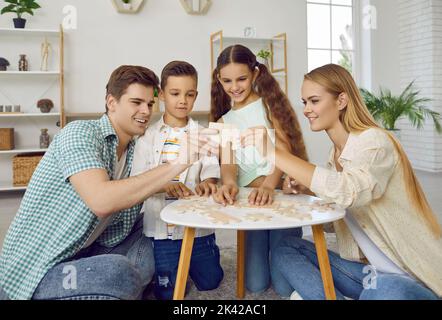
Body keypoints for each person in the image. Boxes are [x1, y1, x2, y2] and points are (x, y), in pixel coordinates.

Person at [0, 65, 218, 300]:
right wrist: (179, 161)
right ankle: (117, 285)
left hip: (90, 249)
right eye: (136, 102)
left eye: (149, 104)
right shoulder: (79, 133)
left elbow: (136, 196)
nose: (145, 111)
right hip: (42, 267)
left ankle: (114, 286)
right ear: (111, 102)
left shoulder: (135, 147)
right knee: (119, 273)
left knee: (155, 231)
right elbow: (102, 200)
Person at [241, 64, 442, 300]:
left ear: (342, 100)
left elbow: (350, 192)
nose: (306, 110)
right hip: (368, 275)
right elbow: (337, 221)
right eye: (304, 102)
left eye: (314, 101)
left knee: (385, 291)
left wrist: (273, 153)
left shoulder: (375, 142)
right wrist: (306, 189)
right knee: (286, 249)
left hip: (409, 279)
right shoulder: (335, 154)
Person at [210, 44, 308, 295]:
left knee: (285, 286)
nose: (235, 87)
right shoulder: (224, 121)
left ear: (254, 74)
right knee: (255, 284)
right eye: (227, 80)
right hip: (250, 204)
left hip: (279, 198)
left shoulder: (268, 105)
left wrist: (268, 185)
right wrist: (229, 183)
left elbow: (283, 153)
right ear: (219, 80)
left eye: (241, 78)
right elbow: (228, 163)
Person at [131, 61, 224, 300]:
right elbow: (138, 180)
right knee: (168, 293)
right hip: (162, 230)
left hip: (197, 227)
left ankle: (199, 259)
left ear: (195, 96)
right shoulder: (147, 137)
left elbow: (212, 170)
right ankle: (165, 270)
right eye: (175, 93)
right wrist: (163, 184)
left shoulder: (203, 133)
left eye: (189, 94)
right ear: (161, 94)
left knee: (211, 282)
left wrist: (209, 182)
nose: (183, 100)